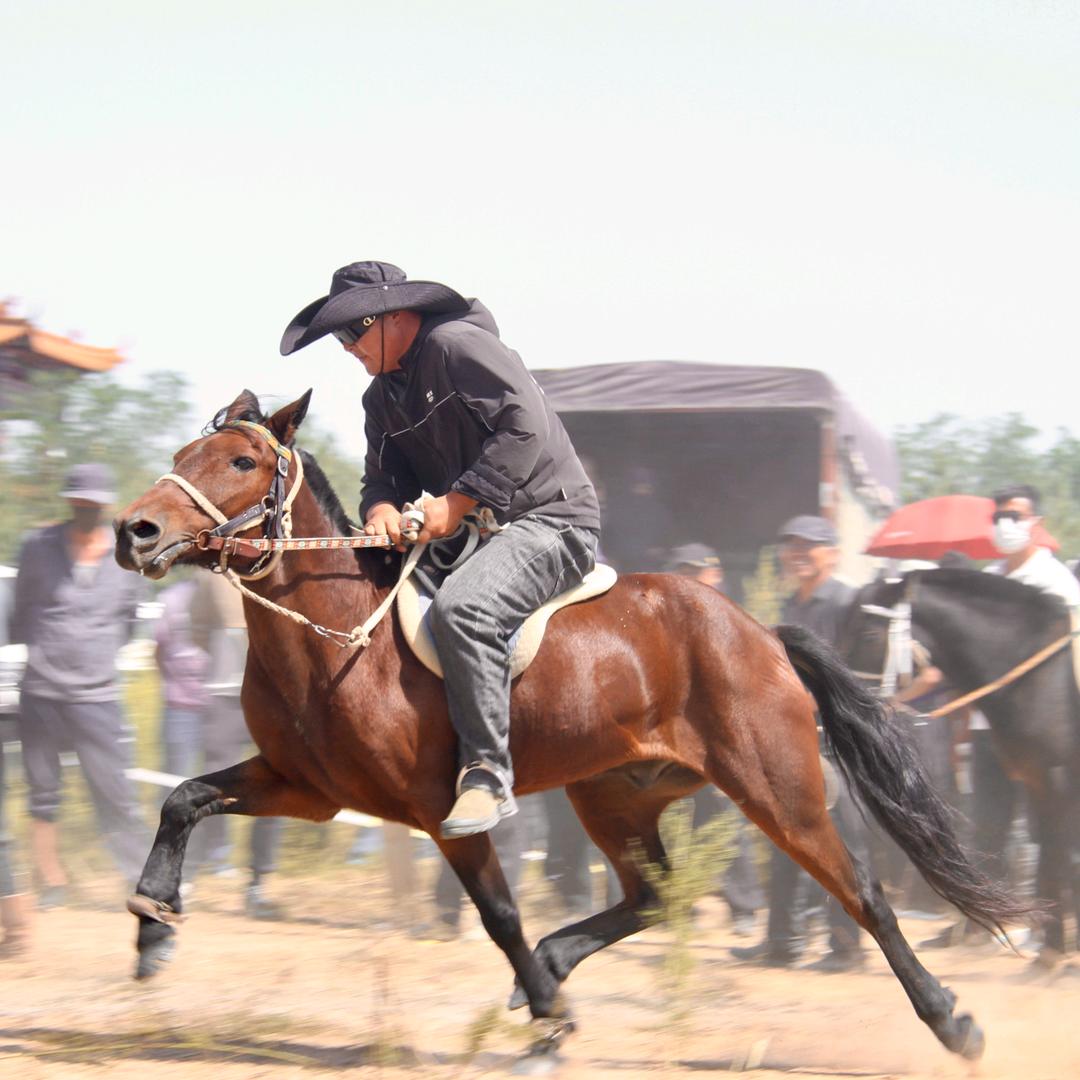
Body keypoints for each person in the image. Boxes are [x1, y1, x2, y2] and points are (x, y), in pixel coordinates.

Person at [281, 261, 601, 838]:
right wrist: (379, 510)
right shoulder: (379, 399)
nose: (347, 346)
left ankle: (486, 775)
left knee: (465, 610)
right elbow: (382, 481)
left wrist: (455, 504)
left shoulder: (458, 345)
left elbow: (523, 427)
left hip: (552, 522)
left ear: (398, 317)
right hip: (478, 535)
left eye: (354, 331)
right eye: (339, 337)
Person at [732, 515, 868, 971]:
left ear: (832, 552)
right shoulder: (789, 607)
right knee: (785, 837)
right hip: (795, 741)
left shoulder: (851, 605)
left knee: (845, 845)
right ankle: (782, 942)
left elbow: (864, 676)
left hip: (842, 742)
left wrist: (816, 699)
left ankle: (847, 947)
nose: (799, 554)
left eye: (810, 546)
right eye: (792, 546)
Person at [9, 463, 149, 905]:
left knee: (115, 793)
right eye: (78, 501)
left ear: (105, 505)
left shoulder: (126, 554)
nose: (84, 508)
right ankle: (50, 880)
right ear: (69, 501)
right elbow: (19, 614)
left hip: (98, 696)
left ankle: (139, 878)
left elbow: (130, 623)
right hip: (42, 692)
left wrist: (96, 654)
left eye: (92, 503)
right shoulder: (37, 547)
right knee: (43, 793)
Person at [188, 570, 285, 919]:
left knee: (274, 793)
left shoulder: (284, 566)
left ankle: (257, 884)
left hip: (273, 700)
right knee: (212, 789)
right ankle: (186, 874)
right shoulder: (212, 574)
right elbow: (197, 627)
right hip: (225, 697)